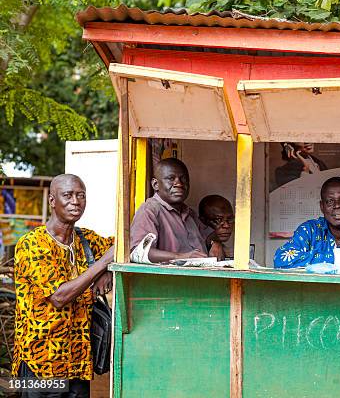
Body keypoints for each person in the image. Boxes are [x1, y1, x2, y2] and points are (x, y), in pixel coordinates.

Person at [12, 174, 114, 397]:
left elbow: (122, 245)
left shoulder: (86, 240)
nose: (76, 201)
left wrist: (108, 271)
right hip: (41, 362)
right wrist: (104, 263)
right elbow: (59, 297)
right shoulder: (32, 245)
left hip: (78, 362)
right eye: (67, 195)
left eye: (81, 196)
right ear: (52, 201)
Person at [274, 177, 340, 268]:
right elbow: (281, 260)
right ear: (322, 206)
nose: (337, 205)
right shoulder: (310, 230)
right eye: (330, 201)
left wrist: (317, 262)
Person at [130, 158, 223, 262]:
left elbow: (210, 235)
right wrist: (182, 257)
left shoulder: (189, 213)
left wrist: (215, 243)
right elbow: (140, 252)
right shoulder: (149, 211)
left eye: (183, 179)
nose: (179, 184)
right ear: (155, 184)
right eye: (171, 178)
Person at [198, 195, 235, 259]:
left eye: (230, 219)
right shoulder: (194, 247)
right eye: (218, 220)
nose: (226, 226)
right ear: (202, 220)